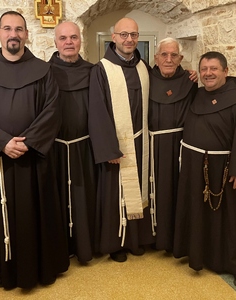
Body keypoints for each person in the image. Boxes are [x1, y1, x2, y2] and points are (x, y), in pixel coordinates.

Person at [0, 11, 69, 290]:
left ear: (26, 34)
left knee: (36, 212)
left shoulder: (43, 70)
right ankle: (4, 269)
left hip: (33, 157)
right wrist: (2, 142)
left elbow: (52, 111)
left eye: (19, 29)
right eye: (8, 29)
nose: (14, 34)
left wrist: (28, 142)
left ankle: (39, 268)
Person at [173, 51, 236, 290]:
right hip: (196, 167)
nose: (208, 73)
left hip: (227, 170)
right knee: (200, 214)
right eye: (204, 69)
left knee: (234, 218)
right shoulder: (197, 95)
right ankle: (201, 256)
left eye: (213, 69)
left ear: (225, 71)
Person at [88, 17, 154, 262]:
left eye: (134, 35)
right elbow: (97, 111)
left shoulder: (143, 66)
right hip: (116, 146)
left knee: (140, 189)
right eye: (124, 35)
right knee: (116, 194)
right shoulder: (101, 69)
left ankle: (137, 240)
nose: (129, 39)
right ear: (113, 37)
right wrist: (108, 149)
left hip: (141, 142)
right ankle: (117, 243)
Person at [49, 21, 98, 264]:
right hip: (54, 148)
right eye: (64, 38)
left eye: (74, 37)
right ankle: (60, 248)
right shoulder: (43, 71)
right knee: (55, 199)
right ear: (55, 42)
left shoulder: (93, 71)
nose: (69, 42)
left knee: (85, 197)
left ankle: (85, 247)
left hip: (85, 147)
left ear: (81, 41)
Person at [148, 37, 198, 252]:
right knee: (152, 190)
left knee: (178, 191)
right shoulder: (144, 78)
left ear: (181, 58)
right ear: (156, 57)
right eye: (164, 55)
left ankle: (178, 239)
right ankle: (151, 236)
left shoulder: (190, 81)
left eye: (174, 55)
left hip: (180, 145)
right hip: (151, 146)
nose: (169, 59)